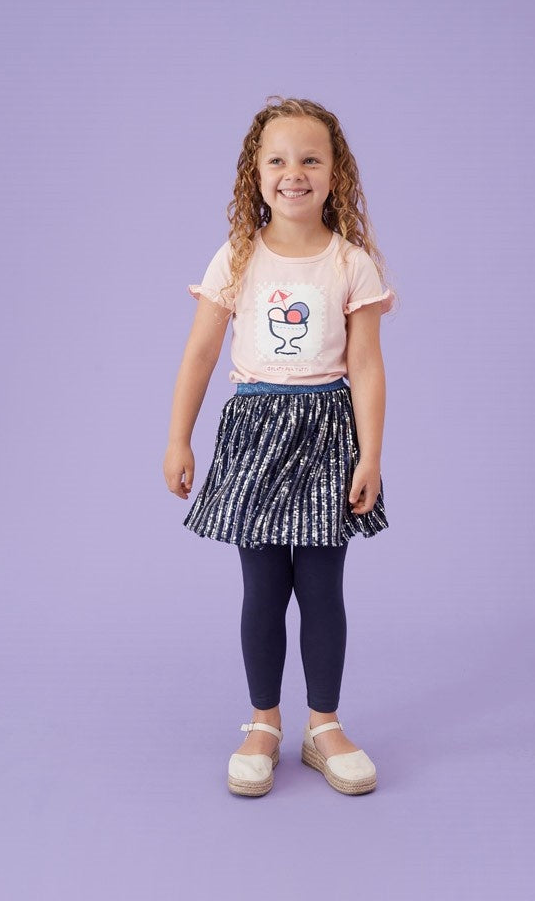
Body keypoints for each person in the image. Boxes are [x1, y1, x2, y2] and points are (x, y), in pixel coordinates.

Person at [163, 95, 398, 797]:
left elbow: (365, 366)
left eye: (310, 159)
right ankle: (263, 721)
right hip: (254, 431)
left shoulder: (351, 262)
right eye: (277, 160)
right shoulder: (237, 257)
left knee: (321, 589)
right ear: (255, 174)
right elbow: (201, 353)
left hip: (328, 432)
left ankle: (323, 726)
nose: (293, 172)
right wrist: (178, 438)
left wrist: (371, 454)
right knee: (263, 588)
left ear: (335, 174)